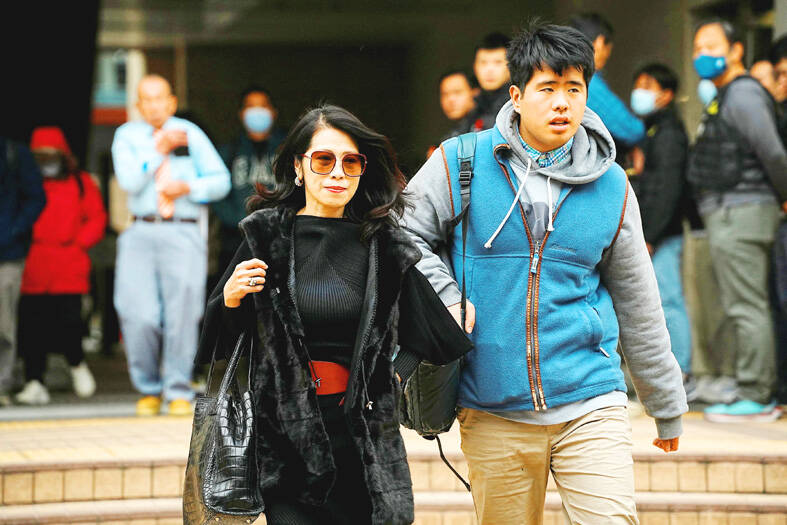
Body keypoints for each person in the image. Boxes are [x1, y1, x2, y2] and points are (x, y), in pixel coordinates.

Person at [403, 21, 686, 524]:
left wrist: (664, 401)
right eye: (547, 88)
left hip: (590, 398)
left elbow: (638, 298)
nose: (562, 103)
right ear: (516, 95)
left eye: (574, 89)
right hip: (493, 405)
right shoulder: (461, 161)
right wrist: (446, 296)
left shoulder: (612, 185)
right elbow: (402, 236)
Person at [196, 104, 472, 525]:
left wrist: (390, 378)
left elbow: (434, 335)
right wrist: (231, 299)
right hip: (282, 439)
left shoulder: (383, 244)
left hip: (360, 441)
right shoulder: (266, 236)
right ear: (298, 167)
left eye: (351, 162)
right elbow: (221, 341)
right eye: (324, 160)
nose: (338, 173)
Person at [111, 74, 231, 417]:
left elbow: (221, 181)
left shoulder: (189, 133)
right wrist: (157, 151)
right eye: (146, 99)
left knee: (183, 313)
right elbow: (130, 181)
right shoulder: (127, 136)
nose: (153, 106)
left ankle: (178, 388)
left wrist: (190, 187)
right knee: (137, 314)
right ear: (138, 105)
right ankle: (148, 387)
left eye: (159, 98)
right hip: (141, 229)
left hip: (183, 230)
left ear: (171, 102)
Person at [688, 19, 787, 422]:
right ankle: (750, 385)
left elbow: (773, 153)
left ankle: (756, 392)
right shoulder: (727, 95)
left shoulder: (743, 94)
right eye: (697, 48)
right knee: (742, 303)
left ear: (735, 50)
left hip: (742, 212)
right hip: (731, 212)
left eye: (711, 46)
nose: (701, 55)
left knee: (747, 304)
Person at [15, 127, 106, 405]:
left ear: (63, 155)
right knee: (31, 325)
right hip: (34, 263)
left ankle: (76, 363)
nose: (46, 161)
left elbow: (97, 217)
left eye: (51, 155)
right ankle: (34, 381)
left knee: (70, 321)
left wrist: (80, 242)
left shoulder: (80, 182)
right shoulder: (24, 183)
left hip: (69, 263)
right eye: (39, 156)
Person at [628, 64, 694, 389]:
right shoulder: (650, 131)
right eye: (638, 84)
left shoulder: (669, 134)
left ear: (666, 95)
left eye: (648, 85)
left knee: (668, 299)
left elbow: (668, 190)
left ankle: (680, 372)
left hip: (661, 234)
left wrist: (650, 236)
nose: (639, 91)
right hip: (652, 233)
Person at [212, 86, 285, 277]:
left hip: (278, 237)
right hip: (236, 240)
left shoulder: (287, 150)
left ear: (273, 112)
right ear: (242, 113)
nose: (257, 112)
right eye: (251, 106)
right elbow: (217, 192)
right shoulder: (229, 151)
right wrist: (235, 220)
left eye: (263, 106)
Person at [0, 136, 45, 407]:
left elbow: (36, 198)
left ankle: (1, 383)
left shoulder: (13, 153)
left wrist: (13, 230)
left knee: (3, 324)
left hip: (7, 252)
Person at [569, 13, 646, 160]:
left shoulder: (560, 74)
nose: (607, 56)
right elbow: (631, 129)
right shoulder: (585, 80)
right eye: (608, 48)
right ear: (600, 42)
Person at [462, 32, 511, 132]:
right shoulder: (477, 107)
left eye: (498, 62)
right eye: (483, 63)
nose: (489, 70)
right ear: (475, 67)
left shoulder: (517, 105)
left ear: (512, 67)